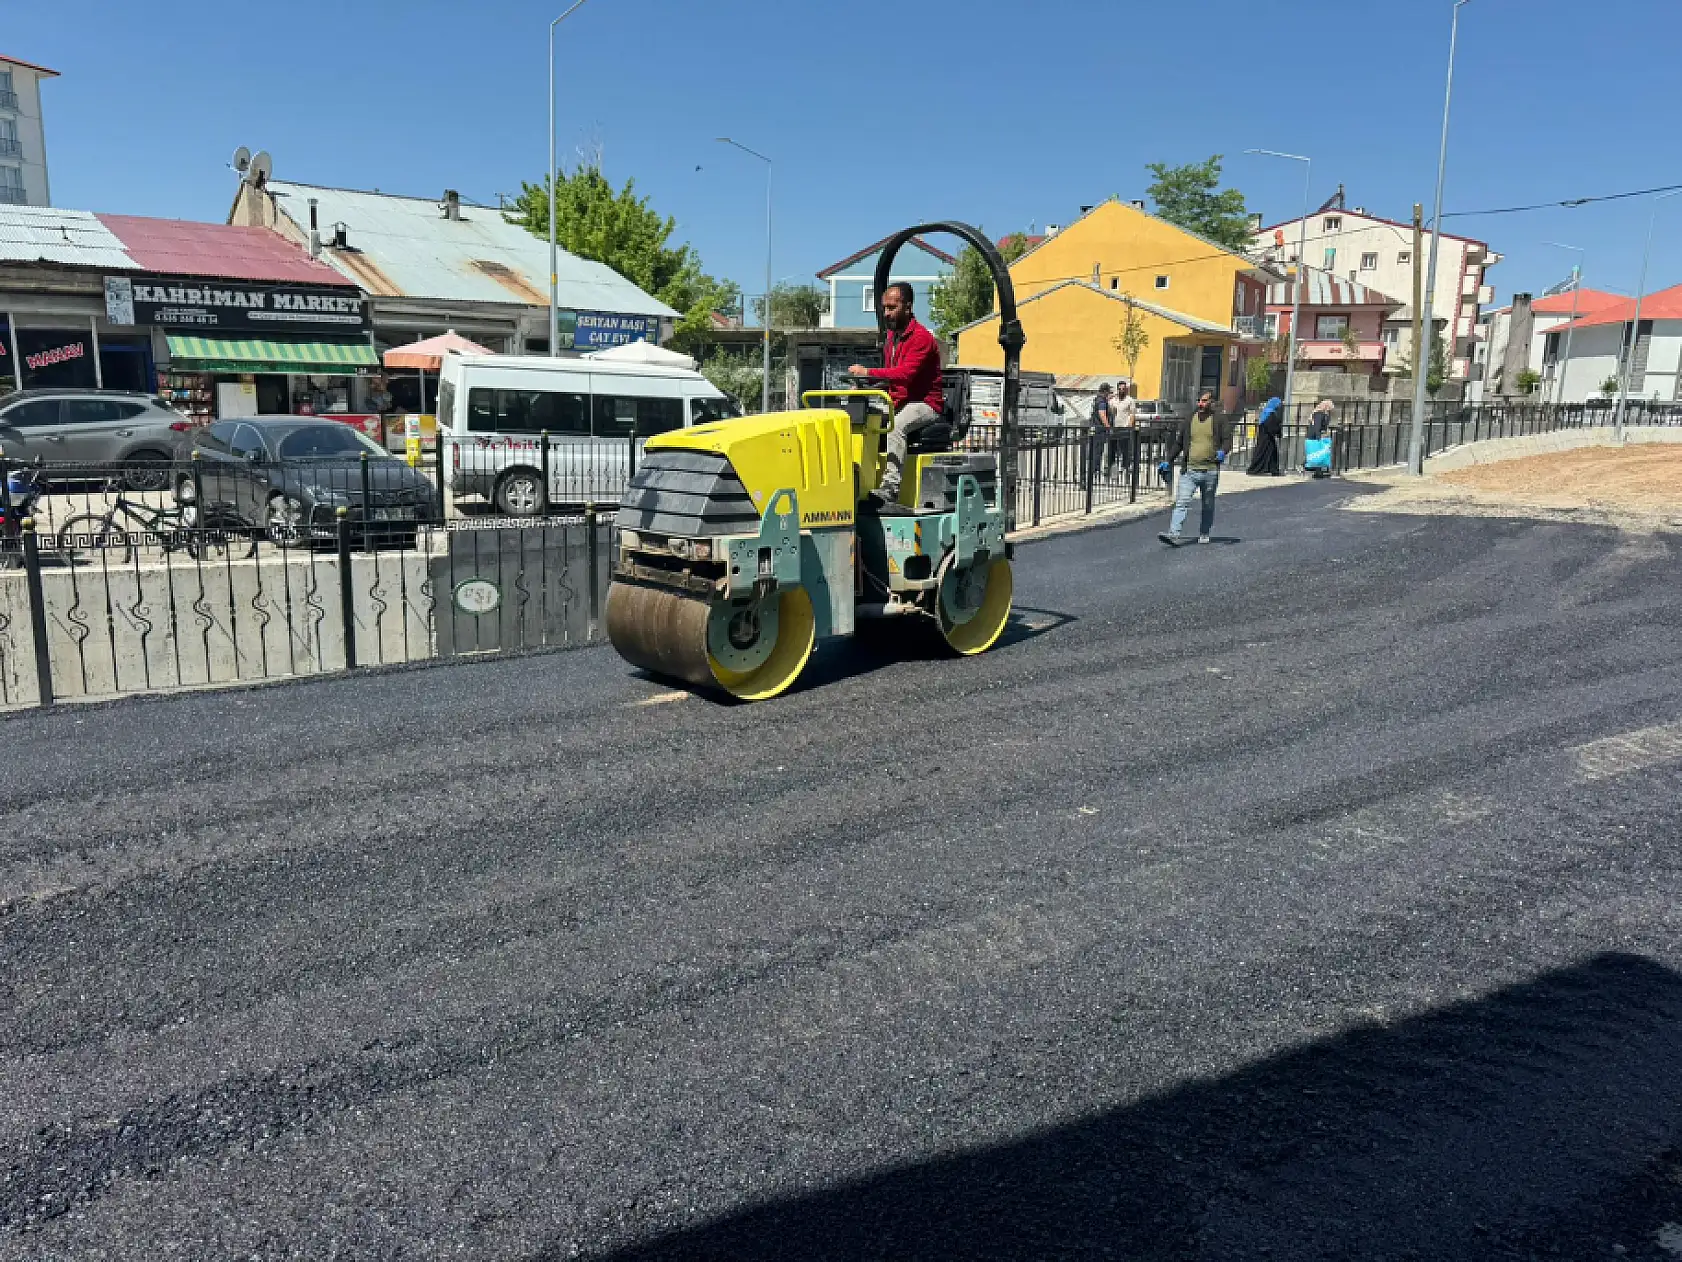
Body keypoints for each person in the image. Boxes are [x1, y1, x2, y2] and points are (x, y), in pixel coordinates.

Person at [848, 282, 944, 505]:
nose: (887, 313)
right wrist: (866, 389)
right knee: (859, 416)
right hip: (899, 399)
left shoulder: (921, 338)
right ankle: (857, 479)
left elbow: (905, 374)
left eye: (892, 307)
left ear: (908, 307)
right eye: (884, 308)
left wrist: (867, 372)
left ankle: (890, 487)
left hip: (925, 403)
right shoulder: (892, 338)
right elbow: (891, 378)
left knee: (895, 425)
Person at [1157, 390, 1232, 545]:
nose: (1200, 404)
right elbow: (1179, 443)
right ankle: (1173, 534)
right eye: (1199, 401)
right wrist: (1168, 460)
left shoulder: (1219, 419)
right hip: (1189, 470)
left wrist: (1223, 451)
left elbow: (1227, 440)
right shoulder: (1190, 419)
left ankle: (1204, 533)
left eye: (1204, 401)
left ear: (1211, 402)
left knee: (1208, 504)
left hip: (1210, 471)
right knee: (1181, 502)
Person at [1247, 395, 1283, 477]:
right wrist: (1278, 431)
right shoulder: (1271, 414)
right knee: (1267, 454)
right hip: (1267, 439)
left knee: (1268, 455)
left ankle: (1272, 470)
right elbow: (1271, 426)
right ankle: (1256, 469)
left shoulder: (1266, 413)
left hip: (1264, 439)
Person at [1086, 383, 1114, 483]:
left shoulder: (1096, 399)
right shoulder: (1102, 401)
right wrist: (1108, 426)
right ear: (1105, 391)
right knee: (1097, 453)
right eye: (1109, 391)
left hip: (1094, 429)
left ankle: (1092, 473)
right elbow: (1102, 415)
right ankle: (1093, 473)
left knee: (1094, 452)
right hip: (1099, 430)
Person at [1110, 379, 1138, 477]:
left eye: (1124, 389)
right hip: (1115, 427)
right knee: (1113, 449)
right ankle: (1113, 469)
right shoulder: (1113, 400)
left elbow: (1132, 414)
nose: (1122, 390)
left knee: (1125, 448)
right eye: (1120, 389)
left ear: (1126, 390)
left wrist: (1130, 425)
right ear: (1117, 389)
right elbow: (1110, 412)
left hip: (1125, 427)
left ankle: (1125, 466)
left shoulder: (1130, 400)